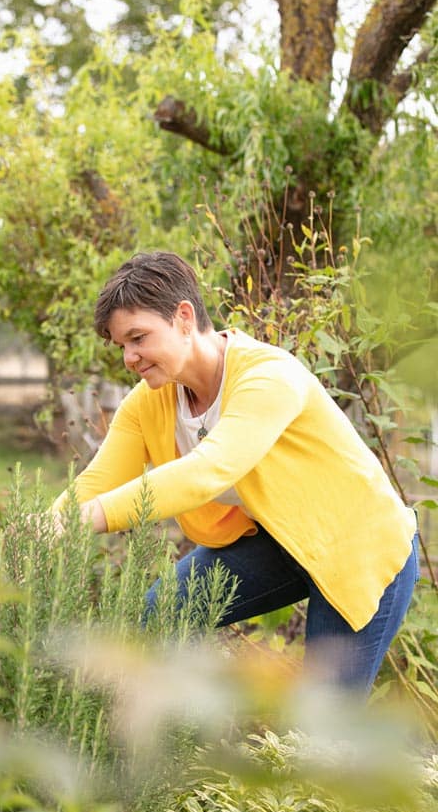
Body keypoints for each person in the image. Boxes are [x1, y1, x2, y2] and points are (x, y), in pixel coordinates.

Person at [52, 251, 419, 693]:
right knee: (156, 614)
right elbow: (96, 480)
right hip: (279, 540)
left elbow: (206, 472)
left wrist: (82, 519)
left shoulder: (268, 376)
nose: (129, 357)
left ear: (184, 317)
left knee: (323, 727)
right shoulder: (150, 400)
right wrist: (46, 523)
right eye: (122, 345)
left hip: (357, 546)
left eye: (138, 338)